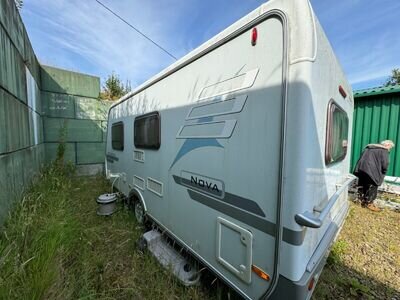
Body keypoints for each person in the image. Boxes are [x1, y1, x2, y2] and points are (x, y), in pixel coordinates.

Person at [353, 140, 395, 212]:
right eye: (390, 147)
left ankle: (361, 201)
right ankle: (369, 204)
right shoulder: (384, 150)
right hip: (372, 171)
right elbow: (385, 164)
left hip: (361, 169)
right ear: (387, 145)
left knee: (363, 184)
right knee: (373, 186)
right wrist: (383, 171)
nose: (389, 149)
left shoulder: (369, 148)